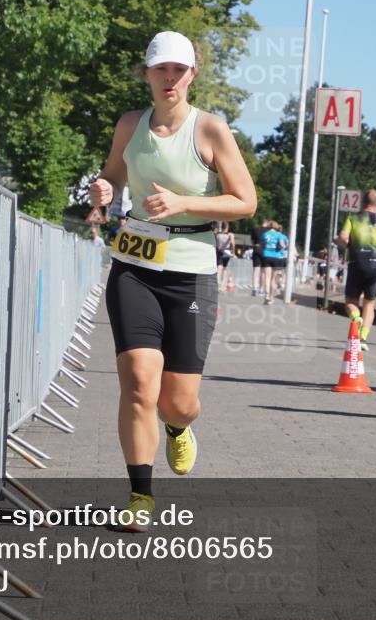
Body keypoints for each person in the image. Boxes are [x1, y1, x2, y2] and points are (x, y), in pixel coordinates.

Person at [89, 31, 256, 526]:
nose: (169, 78)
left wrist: (183, 202)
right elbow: (113, 175)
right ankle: (140, 494)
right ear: (146, 73)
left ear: (192, 74)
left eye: (178, 70)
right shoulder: (130, 124)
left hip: (191, 273)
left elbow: (245, 201)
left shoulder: (211, 129)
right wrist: (104, 189)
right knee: (139, 382)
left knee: (178, 404)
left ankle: (179, 429)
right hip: (135, 266)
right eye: (160, 69)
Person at [339, 190, 376, 352]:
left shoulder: (353, 218)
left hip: (357, 262)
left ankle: (356, 317)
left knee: (351, 301)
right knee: (370, 303)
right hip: (375, 264)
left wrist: (349, 247)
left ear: (362, 202)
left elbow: (343, 237)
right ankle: (362, 338)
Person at [260, 221, 289, 305]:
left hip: (266, 256)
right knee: (273, 279)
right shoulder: (279, 235)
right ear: (276, 227)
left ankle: (267, 295)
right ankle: (271, 297)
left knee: (267, 277)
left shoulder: (265, 234)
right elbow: (282, 245)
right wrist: (284, 248)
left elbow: (261, 246)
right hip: (276, 257)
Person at [251, 219, 270, 296]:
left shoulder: (255, 229)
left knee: (256, 269)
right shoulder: (268, 231)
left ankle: (254, 288)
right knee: (263, 270)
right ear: (267, 223)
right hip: (264, 250)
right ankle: (261, 289)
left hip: (256, 248)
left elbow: (252, 242)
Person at [215, 222, 235, 288]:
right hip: (226, 251)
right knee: (225, 267)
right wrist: (233, 252)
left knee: (219, 266)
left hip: (218, 251)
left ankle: (218, 282)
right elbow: (232, 243)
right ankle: (223, 284)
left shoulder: (217, 234)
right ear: (227, 227)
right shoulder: (230, 235)